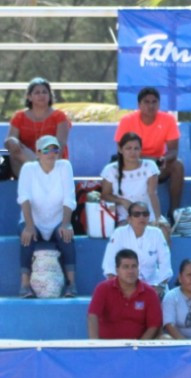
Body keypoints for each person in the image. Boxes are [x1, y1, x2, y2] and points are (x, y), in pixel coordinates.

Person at [16, 135, 77, 298]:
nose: (51, 153)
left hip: (57, 220)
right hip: (33, 220)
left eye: (55, 149)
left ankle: (72, 284)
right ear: (37, 153)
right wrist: (29, 225)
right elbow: (24, 198)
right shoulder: (29, 169)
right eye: (46, 150)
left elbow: (69, 198)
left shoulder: (65, 166)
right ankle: (25, 285)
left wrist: (66, 223)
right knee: (26, 237)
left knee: (67, 236)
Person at [114, 87, 185, 220]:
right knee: (113, 164)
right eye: (146, 102)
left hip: (157, 166)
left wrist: (164, 158)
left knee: (178, 165)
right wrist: (145, 159)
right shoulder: (127, 120)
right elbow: (120, 148)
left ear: (159, 104)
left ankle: (174, 213)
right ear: (139, 105)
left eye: (154, 102)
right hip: (132, 164)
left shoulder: (168, 120)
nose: (150, 106)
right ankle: (121, 213)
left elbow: (173, 151)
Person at [101, 200, 173, 298]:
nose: (141, 217)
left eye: (145, 214)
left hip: (153, 284)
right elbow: (109, 264)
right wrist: (119, 288)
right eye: (137, 214)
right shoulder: (119, 233)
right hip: (125, 285)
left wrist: (160, 286)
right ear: (129, 218)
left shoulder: (157, 233)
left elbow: (165, 263)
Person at [87, 249, 162, 340]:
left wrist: (140, 346)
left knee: (166, 339)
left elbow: (154, 325)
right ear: (117, 270)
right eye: (125, 267)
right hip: (107, 347)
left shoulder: (150, 293)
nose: (130, 271)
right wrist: (95, 344)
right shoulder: (103, 289)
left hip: (139, 347)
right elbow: (92, 315)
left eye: (134, 266)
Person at [100, 132, 166, 233]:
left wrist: (158, 218)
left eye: (136, 148)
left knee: (163, 230)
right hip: (125, 217)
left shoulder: (150, 166)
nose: (133, 152)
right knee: (128, 231)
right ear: (120, 149)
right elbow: (105, 195)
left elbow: (152, 194)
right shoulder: (111, 170)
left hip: (148, 215)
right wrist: (122, 201)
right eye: (128, 148)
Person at [5, 77, 70, 178]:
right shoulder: (19, 116)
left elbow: (60, 145)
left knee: (54, 149)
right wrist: (13, 141)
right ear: (29, 97)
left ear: (50, 96)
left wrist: (44, 158)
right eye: (37, 92)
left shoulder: (60, 116)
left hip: (51, 160)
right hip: (25, 162)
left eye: (45, 92)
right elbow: (9, 141)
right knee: (15, 147)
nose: (41, 95)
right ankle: (40, 172)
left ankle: (41, 173)